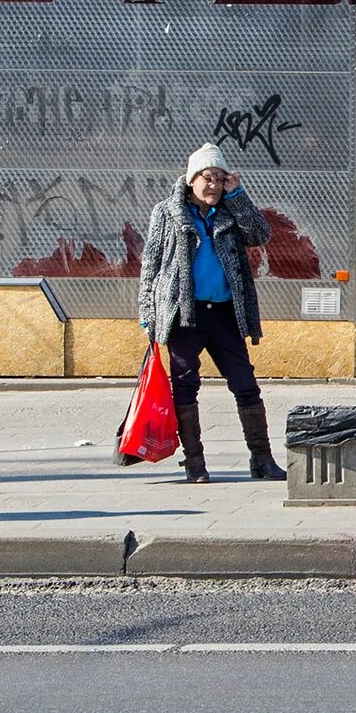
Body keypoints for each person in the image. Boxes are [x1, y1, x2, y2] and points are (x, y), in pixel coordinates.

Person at [136, 142, 283, 484]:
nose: (214, 185)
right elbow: (151, 263)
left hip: (224, 313)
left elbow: (260, 234)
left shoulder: (230, 210)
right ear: (191, 180)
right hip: (184, 313)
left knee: (245, 384)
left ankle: (261, 460)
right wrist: (148, 311)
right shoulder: (167, 212)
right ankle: (195, 464)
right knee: (185, 387)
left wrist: (239, 195)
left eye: (219, 177)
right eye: (207, 177)